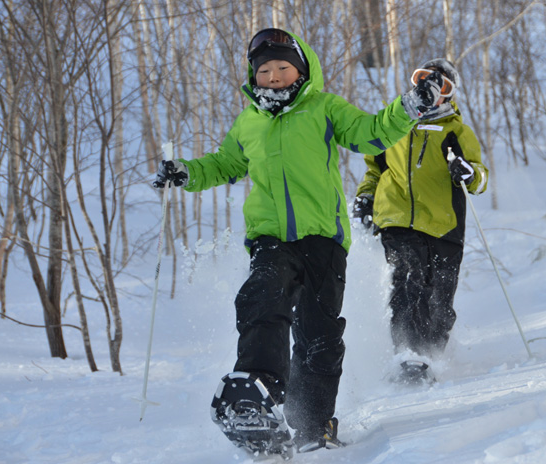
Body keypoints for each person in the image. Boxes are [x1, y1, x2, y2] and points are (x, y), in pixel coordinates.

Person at [153, 29, 445, 452]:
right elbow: (225, 164)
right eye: (264, 70)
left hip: (324, 240)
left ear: (301, 70)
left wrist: (408, 107)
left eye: (282, 67)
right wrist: (187, 172)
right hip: (271, 238)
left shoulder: (324, 108)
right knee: (262, 298)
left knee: (319, 336)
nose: (273, 76)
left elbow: (370, 132)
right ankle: (255, 392)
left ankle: (312, 424)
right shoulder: (248, 121)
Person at [353, 58, 488, 376]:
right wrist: (366, 196)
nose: (430, 89)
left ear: (449, 94)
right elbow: (375, 166)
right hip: (397, 216)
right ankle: (408, 351)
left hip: (444, 223)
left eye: (441, 84)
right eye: (424, 79)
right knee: (408, 278)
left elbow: (480, 178)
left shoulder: (456, 131)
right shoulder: (394, 122)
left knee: (440, 293)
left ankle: (431, 353)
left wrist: (468, 173)